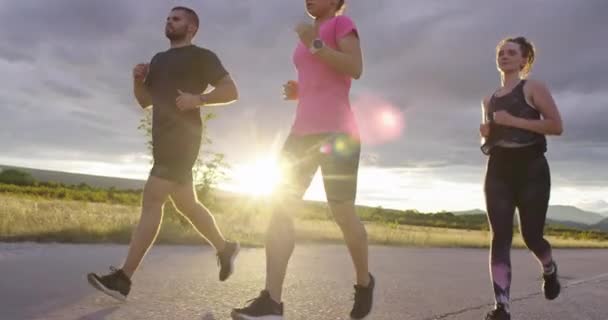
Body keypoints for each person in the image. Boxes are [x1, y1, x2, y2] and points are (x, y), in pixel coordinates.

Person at [87, 6, 240, 301]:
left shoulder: (202, 57)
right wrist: (137, 80)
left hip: (183, 139)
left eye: (177, 18)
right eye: (168, 18)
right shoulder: (158, 59)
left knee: (152, 200)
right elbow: (145, 101)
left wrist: (199, 99)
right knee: (188, 205)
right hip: (163, 138)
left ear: (192, 28)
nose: (169, 22)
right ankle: (224, 247)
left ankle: (123, 278)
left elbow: (231, 90)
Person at [231, 1, 374, 319]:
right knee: (279, 206)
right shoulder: (308, 34)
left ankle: (364, 282)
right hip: (301, 133)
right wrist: (302, 89)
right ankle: (272, 301)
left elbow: (355, 68)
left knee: (342, 213)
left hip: (338, 134)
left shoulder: (341, 25)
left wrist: (314, 42)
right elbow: (323, 75)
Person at [480, 36, 564, 320]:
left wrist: (512, 121)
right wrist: (487, 134)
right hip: (498, 169)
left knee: (531, 236)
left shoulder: (533, 88)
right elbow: (492, 139)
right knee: (500, 236)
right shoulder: (489, 99)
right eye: (501, 52)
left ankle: (549, 269)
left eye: (511, 52)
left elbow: (556, 125)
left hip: (531, 169)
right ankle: (501, 307)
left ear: (524, 60)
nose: (504, 56)